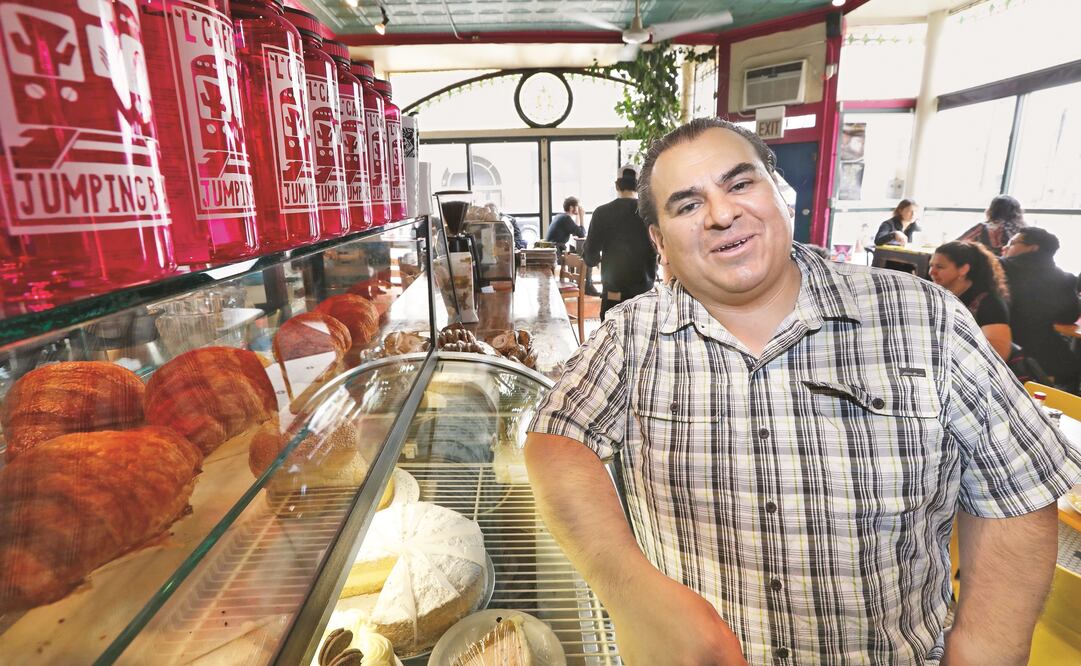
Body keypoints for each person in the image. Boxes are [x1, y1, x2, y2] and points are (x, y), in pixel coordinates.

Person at [524, 117, 1079, 664]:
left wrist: (981, 651)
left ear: (779, 193)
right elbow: (555, 438)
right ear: (659, 240)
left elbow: (1016, 492)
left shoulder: (923, 315)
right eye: (687, 205)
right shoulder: (632, 333)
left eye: (740, 183)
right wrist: (633, 593)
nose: (721, 214)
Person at [1001, 227, 1081, 391]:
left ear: (1033, 247)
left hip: (1003, 353)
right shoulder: (1064, 278)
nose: (1006, 247)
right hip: (1047, 360)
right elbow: (1069, 316)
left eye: (1012, 243)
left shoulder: (998, 269)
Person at [582, 164, 658, 319]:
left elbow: (590, 258)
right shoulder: (651, 214)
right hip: (645, 294)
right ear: (639, 185)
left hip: (613, 294)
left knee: (610, 338)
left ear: (617, 185)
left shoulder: (601, 213)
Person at [929, 241, 1013, 361]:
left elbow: (998, 354)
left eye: (940, 267)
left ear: (963, 269)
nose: (931, 272)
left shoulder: (990, 304)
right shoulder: (939, 297)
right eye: (931, 266)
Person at [957, 194, 1026, 256]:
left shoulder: (983, 227)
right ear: (1017, 212)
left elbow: (957, 244)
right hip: (1014, 267)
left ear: (992, 210)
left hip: (986, 266)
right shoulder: (1023, 230)